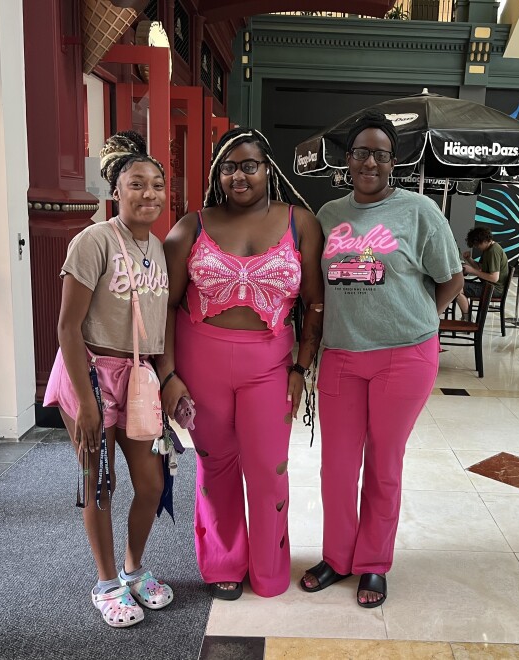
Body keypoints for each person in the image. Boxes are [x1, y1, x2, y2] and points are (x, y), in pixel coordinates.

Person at [299, 110, 464, 607]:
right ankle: (337, 556)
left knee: (383, 465)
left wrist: (419, 322)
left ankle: (373, 563)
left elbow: (451, 277)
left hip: (404, 357)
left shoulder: (419, 212)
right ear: (347, 160)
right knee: (337, 467)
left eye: (380, 154)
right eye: (361, 153)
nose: (370, 162)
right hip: (342, 356)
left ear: (394, 162)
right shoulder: (327, 215)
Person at [161, 127, 324, 599]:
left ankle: (270, 568)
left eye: (249, 165)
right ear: (217, 173)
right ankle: (222, 563)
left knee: (269, 467)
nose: (239, 175)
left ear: (267, 170)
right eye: (228, 167)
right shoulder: (191, 226)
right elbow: (166, 308)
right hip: (199, 361)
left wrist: (301, 366)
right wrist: (168, 375)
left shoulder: (301, 223)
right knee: (216, 466)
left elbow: (314, 303)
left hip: (271, 365)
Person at [44, 131, 173, 628]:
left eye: (157, 185)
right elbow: (66, 327)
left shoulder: (158, 248)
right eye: (136, 184)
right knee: (99, 482)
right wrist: (86, 402)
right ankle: (105, 583)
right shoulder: (92, 241)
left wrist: (167, 384)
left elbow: (158, 328)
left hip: (138, 380)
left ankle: (134, 569)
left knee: (151, 480)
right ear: (115, 191)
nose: (149, 194)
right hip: (91, 374)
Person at [456, 226, 509, 317]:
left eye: (477, 244)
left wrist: (472, 271)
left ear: (484, 241)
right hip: (488, 286)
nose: (476, 247)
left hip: (493, 289)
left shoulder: (493, 251)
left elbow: (494, 277)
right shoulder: (488, 249)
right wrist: (469, 259)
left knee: (457, 288)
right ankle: (467, 317)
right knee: (457, 284)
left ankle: (467, 319)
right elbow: (480, 268)